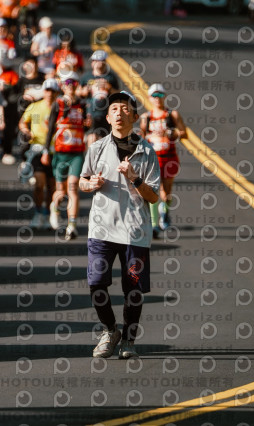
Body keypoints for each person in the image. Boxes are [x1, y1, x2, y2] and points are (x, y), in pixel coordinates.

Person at [79, 91, 160, 359]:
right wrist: (91, 184)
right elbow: (82, 181)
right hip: (101, 229)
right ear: (107, 117)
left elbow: (154, 196)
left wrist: (134, 178)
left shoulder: (147, 152)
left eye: (125, 109)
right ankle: (110, 330)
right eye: (114, 109)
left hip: (135, 231)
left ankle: (128, 341)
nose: (119, 113)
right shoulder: (97, 148)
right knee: (96, 284)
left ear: (134, 117)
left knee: (133, 290)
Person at [43, 71, 90, 240]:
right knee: (61, 192)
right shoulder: (58, 104)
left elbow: (86, 126)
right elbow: (50, 128)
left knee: (73, 188)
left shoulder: (83, 104)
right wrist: (45, 151)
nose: (71, 86)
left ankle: (72, 226)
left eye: (74, 83)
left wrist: (88, 125)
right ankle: (54, 208)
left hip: (77, 153)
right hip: (61, 152)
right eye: (68, 83)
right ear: (62, 86)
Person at [139, 84, 186, 234]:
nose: (157, 99)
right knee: (153, 189)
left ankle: (164, 213)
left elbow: (184, 133)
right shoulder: (146, 117)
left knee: (166, 191)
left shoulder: (172, 115)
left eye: (160, 95)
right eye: (154, 96)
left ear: (164, 97)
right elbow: (141, 137)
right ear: (149, 98)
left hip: (169, 157)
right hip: (153, 159)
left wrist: (173, 133)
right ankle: (154, 224)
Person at [18, 78, 58, 229]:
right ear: (44, 91)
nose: (50, 93)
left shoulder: (59, 108)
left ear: (57, 93)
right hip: (37, 149)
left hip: (56, 150)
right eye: (47, 90)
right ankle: (38, 213)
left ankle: (47, 214)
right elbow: (22, 122)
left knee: (52, 186)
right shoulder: (34, 106)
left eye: (53, 91)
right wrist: (26, 131)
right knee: (39, 184)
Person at [79, 50, 120, 145]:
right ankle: (91, 154)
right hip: (91, 112)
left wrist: (109, 88)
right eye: (94, 61)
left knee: (104, 138)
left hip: (105, 113)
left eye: (99, 61)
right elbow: (78, 91)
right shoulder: (86, 76)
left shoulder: (111, 77)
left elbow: (118, 93)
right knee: (92, 137)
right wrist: (85, 90)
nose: (96, 63)